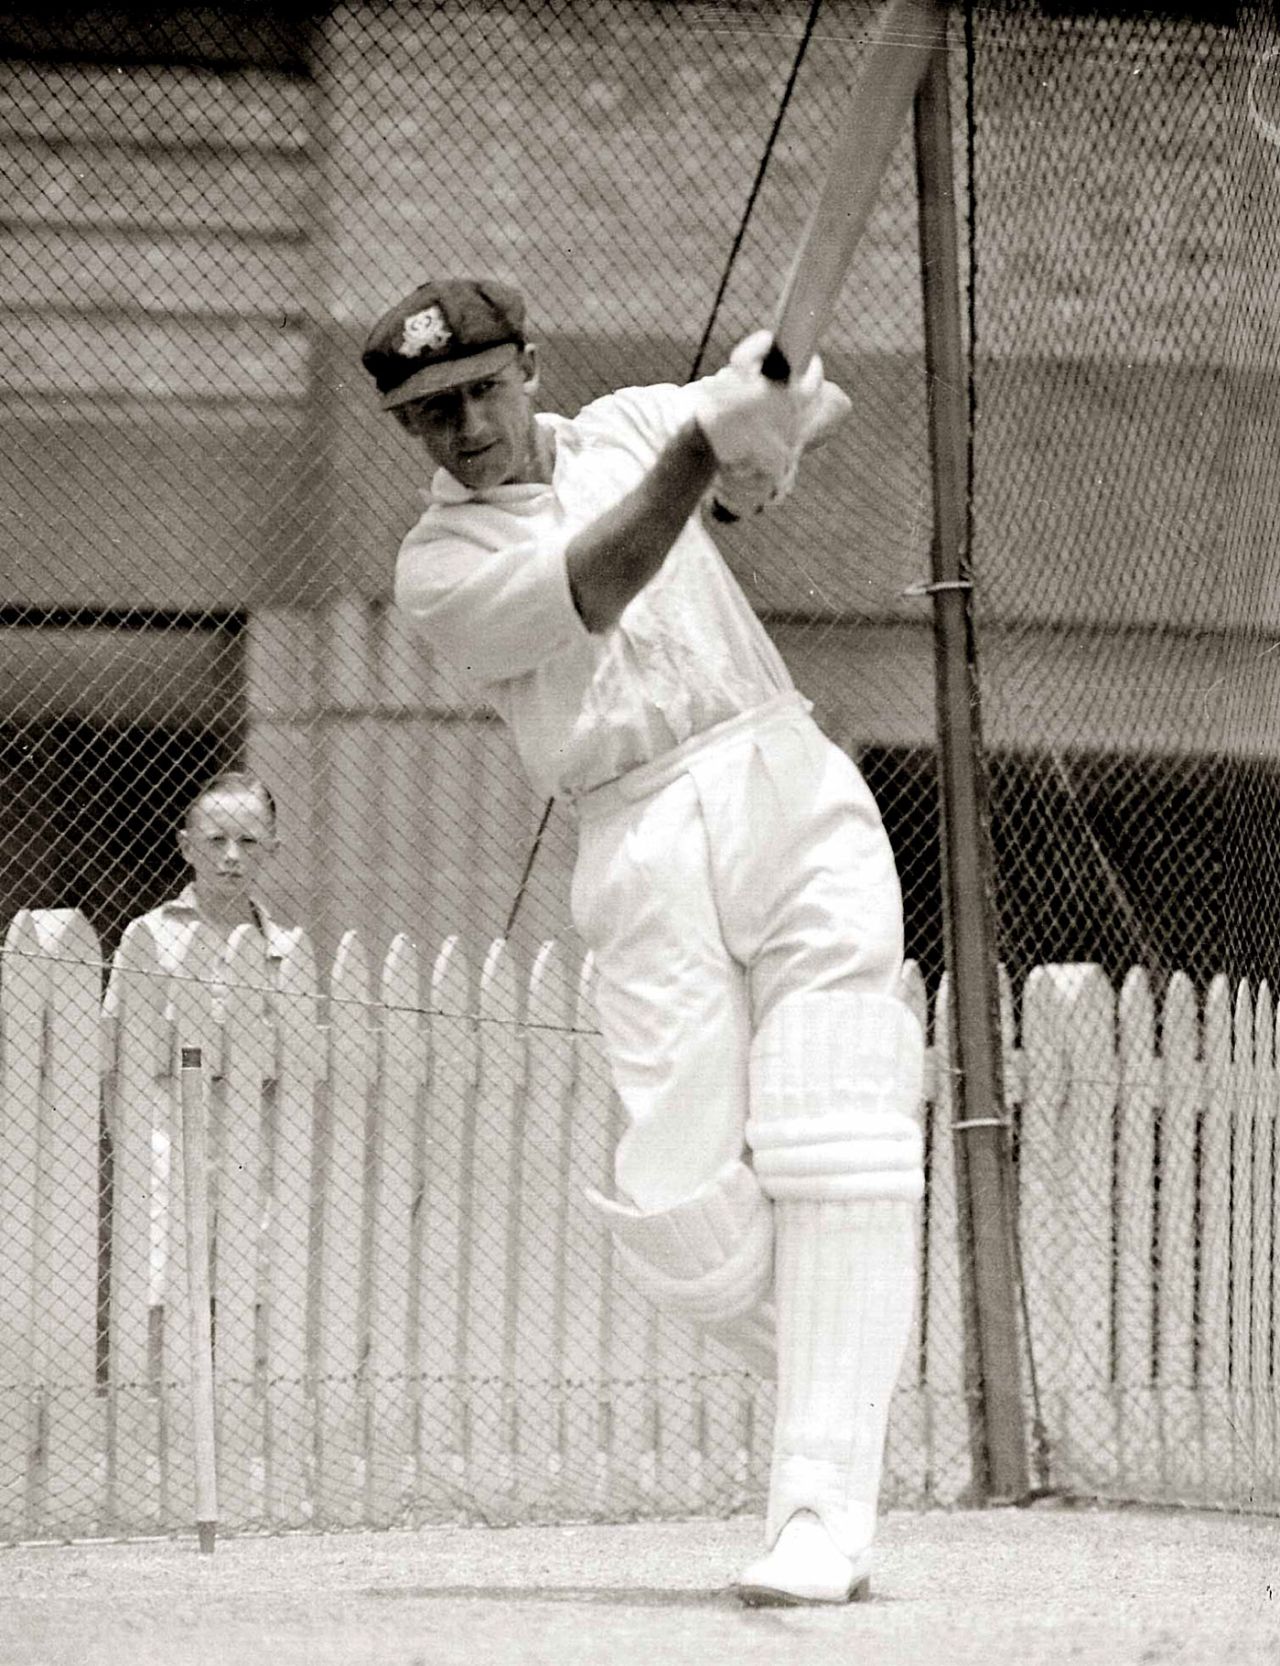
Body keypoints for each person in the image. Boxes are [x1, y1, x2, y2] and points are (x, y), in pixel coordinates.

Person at [363, 277, 924, 1607]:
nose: (461, 429)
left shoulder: (624, 419)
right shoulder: (436, 568)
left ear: (531, 368)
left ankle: (817, 1512)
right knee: (680, 1202)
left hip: (783, 771)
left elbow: (768, 440)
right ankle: (845, 1375)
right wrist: (707, 445)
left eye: (481, 392)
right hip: (640, 834)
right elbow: (603, 578)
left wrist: (770, 412)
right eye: (426, 414)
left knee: (838, 1114)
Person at [104, 771, 289, 1309]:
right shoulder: (151, 937)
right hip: (165, 1153)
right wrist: (142, 1149)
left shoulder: (281, 950)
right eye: (216, 841)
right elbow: (116, 1059)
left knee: (243, 1296)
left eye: (249, 842)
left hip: (248, 1157)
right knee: (159, 1294)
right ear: (187, 847)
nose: (232, 856)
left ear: (271, 850)